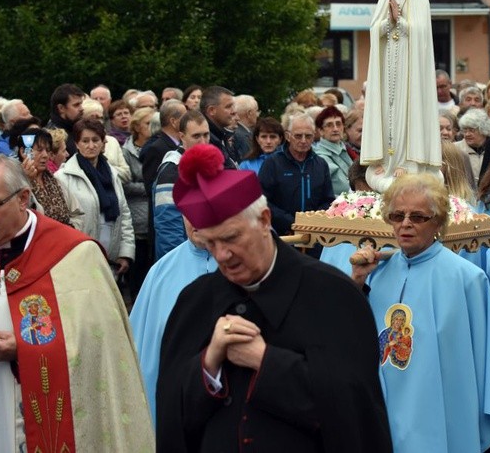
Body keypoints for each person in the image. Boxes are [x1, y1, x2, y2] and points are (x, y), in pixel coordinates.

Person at [156, 144, 392, 452]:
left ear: (265, 220)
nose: (222, 255)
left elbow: (354, 414)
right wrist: (209, 361)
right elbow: (173, 416)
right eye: (210, 243)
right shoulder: (195, 300)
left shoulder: (333, 295)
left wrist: (266, 362)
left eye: (230, 238)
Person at [0, 156, 154, 451]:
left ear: (22, 199)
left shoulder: (74, 256)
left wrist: (26, 350)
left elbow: (100, 345)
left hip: (38, 409)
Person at [350, 174, 490, 453]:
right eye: (397, 215)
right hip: (385, 410)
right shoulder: (377, 275)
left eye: (418, 217)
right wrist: (356, 282)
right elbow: (353, 340)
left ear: (438, 222)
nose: (405, 224)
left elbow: (488, 361)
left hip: (442, 412)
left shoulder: (467, 279)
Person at [360, 0, 442, 193]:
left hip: (411, 70)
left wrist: (401, 22)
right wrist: (388, 22)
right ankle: (385, 159)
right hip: (387, 68)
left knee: (409, 110)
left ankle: (407, 161)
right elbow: (375, 31)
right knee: (387, 110)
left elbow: (422, 37)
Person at [130, 216, 217, 426]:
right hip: (170, 406)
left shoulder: (243, 267)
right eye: (188, 211)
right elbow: (135, 348)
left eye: (201, 211)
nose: (195, 219)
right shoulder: (159, 272)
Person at [55, 119, 135, 276]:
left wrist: (125, 253)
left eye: (95, 140)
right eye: (85, 141)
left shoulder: (112, 174)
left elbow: (124, 214)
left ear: (103, 143)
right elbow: (62, 222)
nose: (91, 146)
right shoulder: (63, 177)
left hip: (111, 257)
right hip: (80, 257)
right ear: (76, 144)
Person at [258, 113, 334, 238]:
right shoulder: (272, 163)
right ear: (288, 136)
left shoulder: (320, 164)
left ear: (314, 136)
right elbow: (263, 201)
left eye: (308, 136)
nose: (303, 141)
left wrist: (312, 221)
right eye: (298, 136)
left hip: (314, 234)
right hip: (282, 235)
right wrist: (291, 222)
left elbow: (328, 200)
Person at [153, 111, 211, 260]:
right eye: (196, 136)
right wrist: (179, 262)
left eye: (206, 135)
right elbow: (167, 226)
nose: (203, 142)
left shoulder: (206, 166)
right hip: (184, 257)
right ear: (182, 137)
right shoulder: (172, 171)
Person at [13, 127, 80, 227]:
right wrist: (26, 181)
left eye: (48, 150)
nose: (45, 155)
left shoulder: (57, 181)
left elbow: (77, 214)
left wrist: (70, 230)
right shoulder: (13, 183)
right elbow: (17, 216)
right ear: (23, 152)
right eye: (39, 150)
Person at [122, 107, 155, 298]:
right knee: (138, 271)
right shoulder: (126, 152)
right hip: (137, 219)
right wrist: (151, 187)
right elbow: (126, 185)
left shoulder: (156, 148)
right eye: (147, 123)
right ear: (137, 127)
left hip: (151, 217)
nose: (151, 127)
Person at [314, 106, 354, 195]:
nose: (335, 129)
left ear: (343, 127)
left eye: (338, 124)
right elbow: (343, 186)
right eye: (329, 125)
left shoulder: (345, 149)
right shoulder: (320, 156)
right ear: (320, 131)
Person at [455, 108, 490, 187]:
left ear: (484, 130)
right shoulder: (455, 149)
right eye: (465, 130)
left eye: (472, 130)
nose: (467, 134)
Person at [46, 83, 84, 156]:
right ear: (61, 108)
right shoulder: (52, 136)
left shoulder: (76, 129)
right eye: (76, 105)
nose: (81, 108)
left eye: (81, 104)